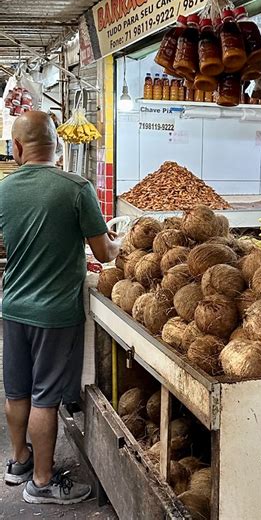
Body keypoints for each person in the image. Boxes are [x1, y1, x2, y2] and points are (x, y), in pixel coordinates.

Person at [0, 111, 120, 505]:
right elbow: (104, 254)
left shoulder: (4, 188)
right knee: (44, 397)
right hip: (54, 313)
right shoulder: (75, 187)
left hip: (12, 306)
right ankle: (43, 482)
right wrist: (120, 239)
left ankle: (18, 462)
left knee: (16, 391)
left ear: (17, 147)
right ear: (58, 145)